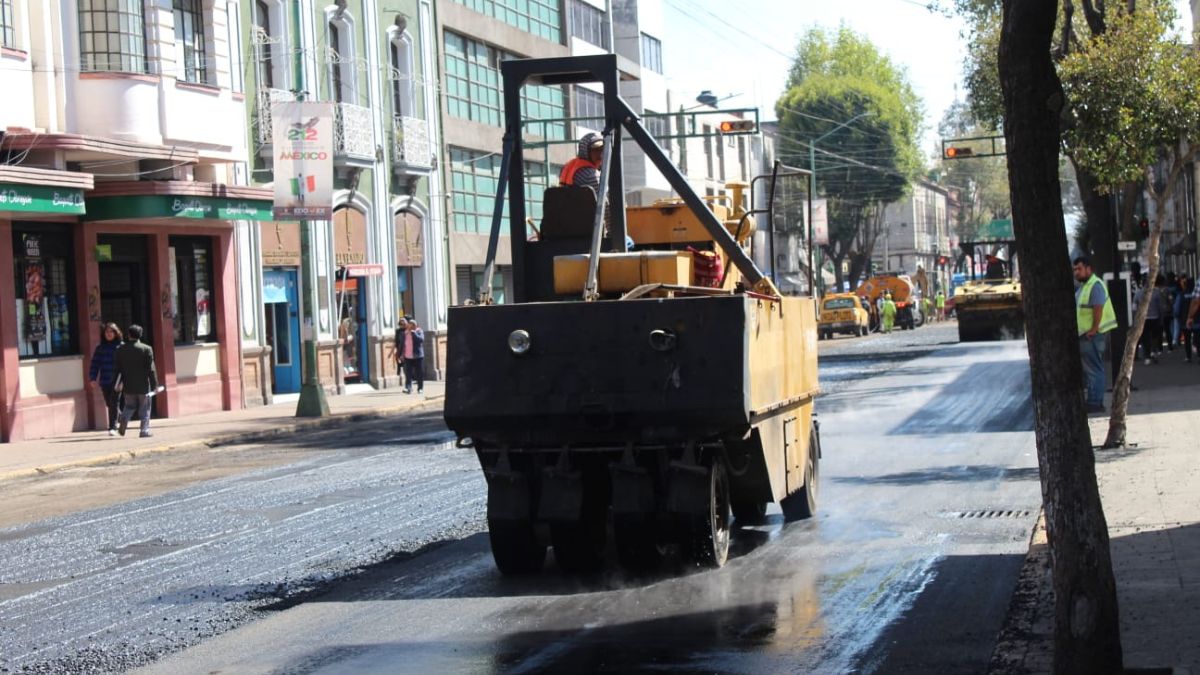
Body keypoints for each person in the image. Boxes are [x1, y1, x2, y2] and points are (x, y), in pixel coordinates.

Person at [1073, 257, 1118, 414]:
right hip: (1086, 335)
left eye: (1079, 269)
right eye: (1075, 270)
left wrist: (1093, 329)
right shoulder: (1084, 287)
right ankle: (1093, 401)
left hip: (1092, 336)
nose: (1076, 272)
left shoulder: (1095, 285)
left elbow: (1098, 308)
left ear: (1088, 269)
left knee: (1094, 370)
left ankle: (1095, 402)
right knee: (1091, 369)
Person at [113, 323, 158, 438]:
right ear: (140, 335)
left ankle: (123, 422)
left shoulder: (121, 349)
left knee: (129, 406)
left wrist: (117, 383)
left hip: (128, 384)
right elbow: (151, 369)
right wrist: (155, 385)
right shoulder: (147, 349)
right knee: (145, 408)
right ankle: (144, 431)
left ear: (128, 335)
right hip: (143, 385)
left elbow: (118, 369)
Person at [88, 322, 124, 436]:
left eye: (111, 332)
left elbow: (126, 364)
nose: (109, 334)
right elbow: (95, 363)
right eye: (107, 332)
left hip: (117, 380)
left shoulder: (121, 346)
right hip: (105, 380)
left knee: (114, 402)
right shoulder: (100, 348)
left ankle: (112, 427)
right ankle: (123, 418)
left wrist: (124, 380)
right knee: (109, 403)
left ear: (116, 333)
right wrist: (93, 378)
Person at [1133, 274, 1166, 365]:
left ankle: (1147, 357)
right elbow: (1160, 307)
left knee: (1145, 338)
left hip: (1143, 319)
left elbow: (1134, 307)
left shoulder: (1138, 293)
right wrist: (1161, 317)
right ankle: (1154, 351)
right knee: (1155, 336)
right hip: (1155, 317)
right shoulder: (1156, 292)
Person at [400, 317, 425, 395]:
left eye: (411, 325)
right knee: (408, 373)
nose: (409, 326)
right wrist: (401, 354)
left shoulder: (419, 331)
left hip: (418, 356)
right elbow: (403, 344)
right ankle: (408, 388)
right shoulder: (405, 333)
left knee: (419, 373)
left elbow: (420, 340)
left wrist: (414, 333)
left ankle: (420, 388)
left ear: (415, 325)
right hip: (408, 356)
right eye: (409, 324)